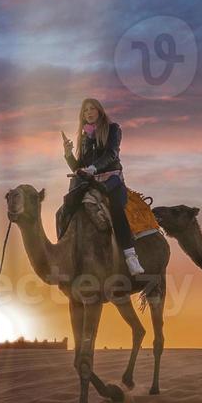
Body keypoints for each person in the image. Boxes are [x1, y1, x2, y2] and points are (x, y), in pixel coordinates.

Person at [59, 98, 144, 277]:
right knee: (64, 210)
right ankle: (63, 251)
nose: (88, 112)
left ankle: (130, 256)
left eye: (92, 109)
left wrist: (93, 168)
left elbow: (112, 154)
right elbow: (79, 169)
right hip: (89, 182)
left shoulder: (113, 129)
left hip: (111, 181)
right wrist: (68, 155)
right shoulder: (84, 137)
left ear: (99, 111)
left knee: (116, 209)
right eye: (85, 110)